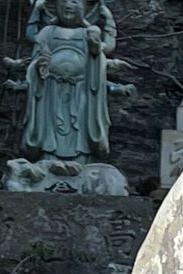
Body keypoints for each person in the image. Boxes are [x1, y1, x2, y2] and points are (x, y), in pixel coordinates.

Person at [11, 0, 117, 166]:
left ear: (84, 8)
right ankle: (48, 160)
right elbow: (33, 40)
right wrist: (39, 65)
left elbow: (106, 48)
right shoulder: (48, 31)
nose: (68, 5)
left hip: (81, 88)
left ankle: (82, 162)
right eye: (64, 1)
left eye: (74, 2)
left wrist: (107, 23)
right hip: (50, 88)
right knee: (49, 126)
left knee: (80, 125)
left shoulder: (87, 32)